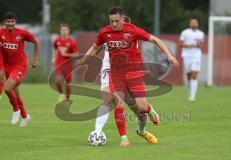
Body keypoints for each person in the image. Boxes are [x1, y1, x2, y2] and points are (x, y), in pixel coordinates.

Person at [78, 7, 178, 146]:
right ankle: (123, 139)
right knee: (116, 102)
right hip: (116, 73)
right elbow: (95, 47)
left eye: (116, 21)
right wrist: (85, 58)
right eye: (111, 21)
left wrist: (169, 55)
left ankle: (146, 114)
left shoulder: (133, 30)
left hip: (134, 73)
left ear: (123, 19)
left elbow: (155, 40)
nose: (113, 24)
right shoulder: (105, 32)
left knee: (140, 108)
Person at [94, 16, 156, 147]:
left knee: (139, 110)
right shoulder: (107, 34)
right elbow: (97, 46)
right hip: (109, 71)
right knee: (108, 99)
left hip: (127, 74)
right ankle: (97, 132)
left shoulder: (131, 38)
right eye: (114, 23)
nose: (117, 26)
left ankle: (142, 131)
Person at [0, 12, 39, 127]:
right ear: (4, 22)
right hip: (7, 66)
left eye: (12, 21)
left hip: (19, 66)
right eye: (8, 21)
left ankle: (16, 110)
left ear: (15, 22)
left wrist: (36, 59)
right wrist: (1, 68)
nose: (10, 23)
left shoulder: (22, 33)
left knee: (7, 88)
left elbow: (36, 41)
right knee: (16, 94)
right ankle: (25, 116)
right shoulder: (1, 33)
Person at [52, 24, 79, 102]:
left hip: (68, 65)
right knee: (58, 80)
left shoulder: (72, 42)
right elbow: (54, 47)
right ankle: (61, 93)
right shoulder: (57, 40)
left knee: (67, 84)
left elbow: (76, 54)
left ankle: (67, 99)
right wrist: (54, 57)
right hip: (59, 64)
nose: (64, 32)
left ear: (68, 31)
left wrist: (67, 54)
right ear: (60, 31)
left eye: (65, 30)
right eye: (62, 30)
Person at [180, 19, 204, 102]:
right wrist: (190, 45)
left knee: (194, 75)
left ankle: (193, 96)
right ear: (190, 24)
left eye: (195, 22)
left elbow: (201, 44)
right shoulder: (185, 32)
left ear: (197, 24)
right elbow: (180, 44)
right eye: (192, 22)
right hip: (186, 55)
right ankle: (190, 91)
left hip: (196, 56)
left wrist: (199, 44)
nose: (194, 23)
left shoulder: (200, 33)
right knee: (189, 75)